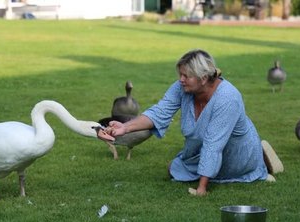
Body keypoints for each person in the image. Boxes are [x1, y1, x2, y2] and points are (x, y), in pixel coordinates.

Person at [103, 49, 281, 196]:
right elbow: (159, 112)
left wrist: (201, 188)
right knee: (172, 169)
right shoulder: (182, 88)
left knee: (217, 169)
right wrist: (125, 127)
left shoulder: (228, 98)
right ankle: (242, 160)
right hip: (205, 150)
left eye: (185, 75)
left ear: (203, 78)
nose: (180, 79)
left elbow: (213, 144)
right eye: (180, 74)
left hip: (236, 153)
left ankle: (259, 163)